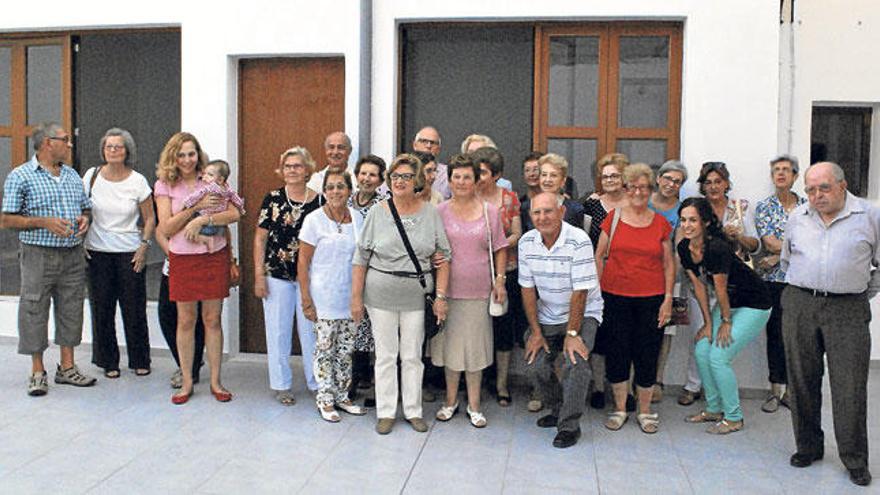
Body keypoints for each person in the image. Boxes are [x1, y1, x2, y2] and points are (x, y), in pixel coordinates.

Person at [781, 162, 878, 487]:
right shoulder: (798, 217)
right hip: (800, 303)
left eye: (823, 188)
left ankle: (854, 459)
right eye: (810, 189)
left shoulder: (869, 215)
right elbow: (786, 258)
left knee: (849, 386)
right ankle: (808, 447)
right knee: (802, 379)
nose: (816, 195)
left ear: (842, 185)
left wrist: (859, 290)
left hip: (847, 308)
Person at [351, 153, 451, 435]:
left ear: (417, 180)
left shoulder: (430, 212)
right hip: (380, 293)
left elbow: (443, 257)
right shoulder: (376, 212)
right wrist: (356, 298)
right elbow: (361, 258)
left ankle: (413, 410)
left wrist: (441, 297)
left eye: (406, 176)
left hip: (416, 296)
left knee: (412, 356)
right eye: (395, 177)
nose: (400, 182)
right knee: (385, 355)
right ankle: (385, 411)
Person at [1, 122, 96, 395]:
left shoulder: (72, 176)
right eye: (64, 139)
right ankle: (37, 370)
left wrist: (84, 220)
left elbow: (86, 209)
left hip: (72, 254)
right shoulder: (21, 176)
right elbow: (7, 219)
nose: (69, 144)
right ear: (47, 143)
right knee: (34, 307)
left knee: (71, 307)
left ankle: (67, 367)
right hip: (37, 254)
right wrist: (43, 222)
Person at [155, 132, 241, 405]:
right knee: (185, 321)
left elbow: (235, 213)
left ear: (198, 154)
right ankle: (187, 380)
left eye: (191, 154)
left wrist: (204, 219)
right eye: (181, 155)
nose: (187, 160)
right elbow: (166, 227)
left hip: (213, 255)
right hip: (183, 258)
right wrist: (193, 212)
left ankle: (216, 381)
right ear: (173, 157)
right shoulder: (165, 185)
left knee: (213, 320)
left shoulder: (211, 178)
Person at [678, 198, 771, 434]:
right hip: (728, 303)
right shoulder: (684, 247)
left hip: (754, 303)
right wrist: (708, 324)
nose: (687, 225)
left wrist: (726, 322)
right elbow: (699, 286)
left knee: (719, 356)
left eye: (693, 220)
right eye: (683, 220)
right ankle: (713, 408)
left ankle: (734, 417)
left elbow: (720, 289)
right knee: (702, 349)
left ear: (706, 223)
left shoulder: (717, 248)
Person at [595, 163, 673, 434]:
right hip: (614, 297)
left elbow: (668, 264)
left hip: (651, 299)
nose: (638, 192)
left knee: (647, 355)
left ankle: (645, 410)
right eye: (633, 187)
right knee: (617, 353)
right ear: (626, 189)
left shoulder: (661, 223)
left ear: (650, 190)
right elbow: (599, 255)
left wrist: (668, 299)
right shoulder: (613, 218)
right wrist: (596, 294)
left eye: (644, 187)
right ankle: (619, 408)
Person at [520, 192, 602, 448]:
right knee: (535, 363)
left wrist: (573, 334)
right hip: (546, 314)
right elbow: (527, 290)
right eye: (537, 212)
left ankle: (569, 426)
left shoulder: (579, 240)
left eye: (548, 211)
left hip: (583, 312)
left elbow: (581, 292)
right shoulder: (526, 242)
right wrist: (535, 332)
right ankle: (557, 410)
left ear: (562, 212)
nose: (542, 217)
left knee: (575, 362)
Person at [432, 154, 507, 428]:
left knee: (475, 352)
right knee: (451, 351)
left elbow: (500, 247)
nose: (461, 182)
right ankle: (450, 401)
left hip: (478, 293)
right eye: (456, 177)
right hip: (447, 291)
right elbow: (431, 248)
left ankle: (474, 405)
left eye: (467, 177)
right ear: (449, 180)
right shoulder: (439, 211)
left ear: (476, 180)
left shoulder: (490, 212)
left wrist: (499, 280)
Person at [678, 161, 761, 406]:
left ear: (726, 184)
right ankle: (694, 386)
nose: (713, 186)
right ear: (702, 186)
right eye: (708, 182)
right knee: (701, 334)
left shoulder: (740, 209)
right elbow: (687, 246)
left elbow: (755, 246)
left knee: (723, 343)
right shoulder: (694, 210)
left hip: (733, 286)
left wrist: (739, 237)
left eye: (718, 181)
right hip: (703, 285)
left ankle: (718, 393)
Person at [82, 128, 155, 379]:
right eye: (109, 146)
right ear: (103, 150)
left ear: (127, 151)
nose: (113, 150)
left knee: (134, 309)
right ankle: (108, 361)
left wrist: (144, 246)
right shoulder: (91, 176)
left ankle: (140, 359)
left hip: (129, 253)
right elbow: (82, 210)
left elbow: (150, 217)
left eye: (118, 147)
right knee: (102, 308)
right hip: (97, 252)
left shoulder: (138, 181)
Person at [254, 147, 323, 405]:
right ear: (281, 171)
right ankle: (281, 384)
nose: (292, 170)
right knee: (278, 331)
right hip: (276, 276)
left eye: (298, 166)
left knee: (311, 332)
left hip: (310, 278)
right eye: (288, 166)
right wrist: (259, 275)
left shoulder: (320, 201)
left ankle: (316, 382)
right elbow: (260, 239)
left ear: (307, 170)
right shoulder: (272, 199)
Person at [298, 170, 366, 422]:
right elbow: (303, 262)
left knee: (345, 350)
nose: (336, 191)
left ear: (350, 190)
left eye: (341, 187)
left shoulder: (358, 219)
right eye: (331, 187)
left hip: (350, 297)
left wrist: (360, 296)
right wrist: (306, 299)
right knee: (325, 349)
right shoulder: (314, 220)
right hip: (323, 297)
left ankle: (342, 395)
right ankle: (325, 399)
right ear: (324, 191)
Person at [754, 154, 805, 413]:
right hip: (774, 281)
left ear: (796, 176)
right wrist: (786, 249)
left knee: (798, 337)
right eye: (777, 170)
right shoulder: (764, 207)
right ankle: (776, 391)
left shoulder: (808, 206)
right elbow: (769, 242)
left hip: (802, 281)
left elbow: (814, 243)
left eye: (786, 170)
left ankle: (794, 392)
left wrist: (778, 256)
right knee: (775, 334)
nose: (781, 174)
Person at [474, 147, 522, 407]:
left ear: (497, 175)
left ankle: (502, 383)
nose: (478, 177)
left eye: (482, 172)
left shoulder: (509, 198)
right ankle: (476, 382)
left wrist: (500, 242)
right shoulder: (467, 196)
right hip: (474, 272)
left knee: (503, 330)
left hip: (506, 272)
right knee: (476, 329)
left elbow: (518, 231)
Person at [347, 154, 387, 401]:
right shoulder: (348, 200)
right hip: (347, 272)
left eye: (372, 175)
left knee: (375, 330)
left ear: (381, 180)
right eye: (363, 173)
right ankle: (353, 378)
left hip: (374, 272)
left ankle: (375, 386)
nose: (367, 178)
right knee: (354, 327)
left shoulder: (383, 205)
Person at [647, 159, 688, 403]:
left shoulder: (682, 210)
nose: (671, 184)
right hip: (640, 276)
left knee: (666, 331)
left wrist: (669, 280)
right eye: (668, 178)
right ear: (658, 179)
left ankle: (657, 379)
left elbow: (680, 249)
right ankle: (636, 380)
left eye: (678, 181)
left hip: (672, 278)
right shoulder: (644, 202)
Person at [182, 159, 245, 250]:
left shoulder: (210, 187)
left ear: (220, 179)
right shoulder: (227, 189)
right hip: (218, 224)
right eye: (204, 174)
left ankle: (206, 240)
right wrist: (241, 207)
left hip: (207, 217)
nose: (205, 177)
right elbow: (236, 199)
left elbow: (196, 196)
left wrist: (186, 203)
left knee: (190, 228)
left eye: (209, 175)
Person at [520, 153, 584, 232]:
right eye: (544, 175)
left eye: (553, 175)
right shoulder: (526, 206)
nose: (547, 180)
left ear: (563, 181)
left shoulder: (575, 209)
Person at [413, 126, 450, 199]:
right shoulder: (401, 170)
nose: (428, 146)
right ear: (415, 145)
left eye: (433, 143)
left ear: (439, 149)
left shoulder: (448, 174)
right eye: (424, 141)